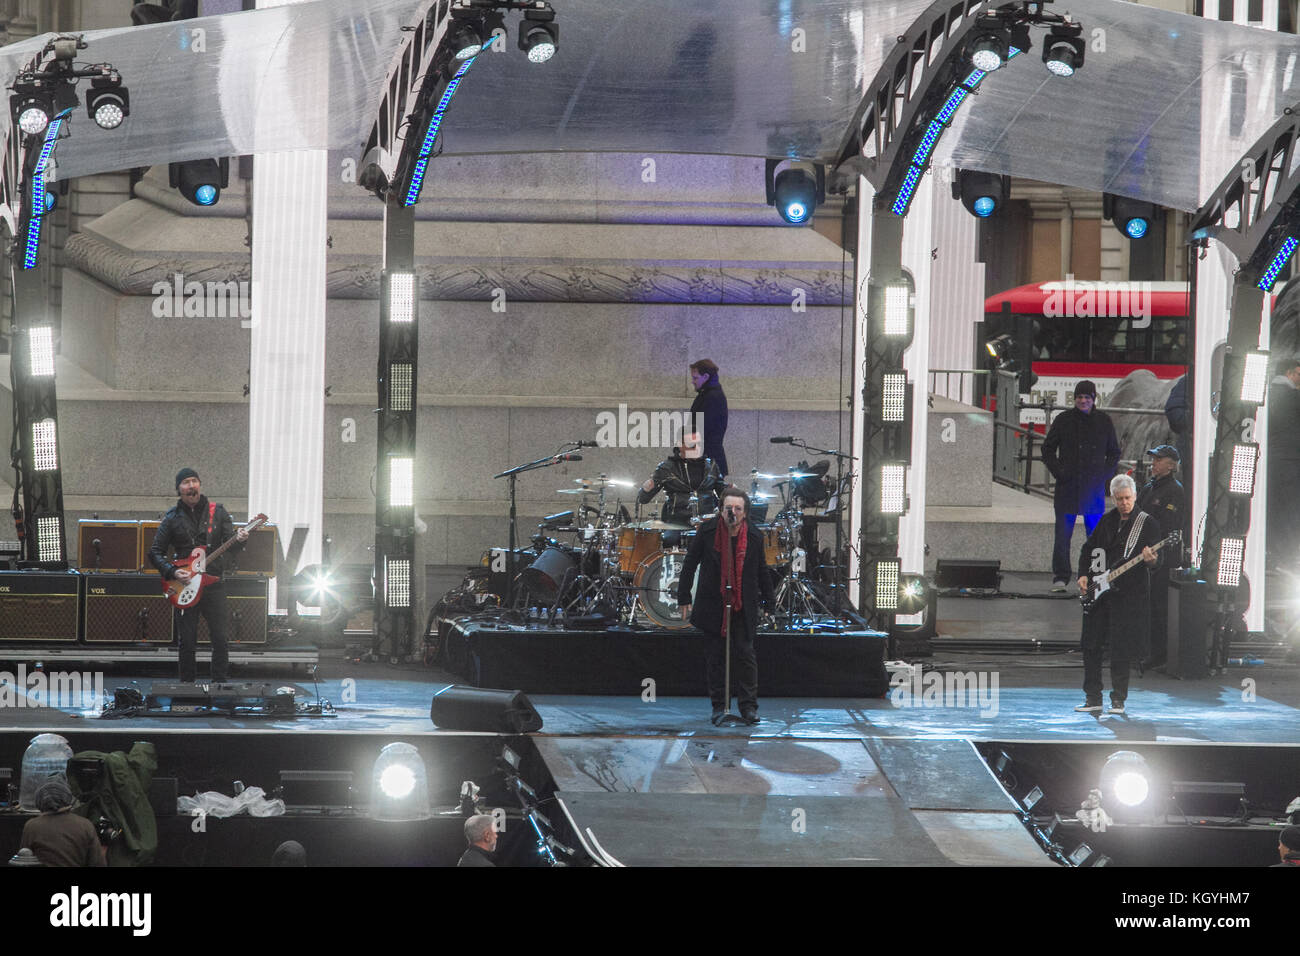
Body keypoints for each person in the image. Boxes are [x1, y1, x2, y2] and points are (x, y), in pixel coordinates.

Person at [677, 488, 775, 726]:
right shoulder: (708, 531)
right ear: (721, 510)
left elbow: (762, 570)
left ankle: (748, 708)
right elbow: (690, 563)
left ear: (745, 512)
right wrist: (683, 597)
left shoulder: (753, 535)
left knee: (745, 654)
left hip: (743, 604)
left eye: (738, 508)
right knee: (716, 658)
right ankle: (719, 706)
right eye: (728, 508)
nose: (733, 512)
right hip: (714, 602)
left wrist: (769, 602)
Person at [148, 468, 248, 684]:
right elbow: (154, 552)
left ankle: (219, 684)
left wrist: (241, 540)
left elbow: (232, 546)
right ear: (179, 489)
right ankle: (187, 687)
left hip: (214, 584)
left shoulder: (218, 512)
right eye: (186, 482)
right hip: (185, 585)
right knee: (187, 641)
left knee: (220, 639)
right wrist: (173, 571)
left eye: (194, 481)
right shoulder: (172, 517)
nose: (191, 485)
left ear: (200, 485)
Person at [1075, 474, 1162, 716]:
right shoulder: (1106, 521)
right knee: (1091, 645)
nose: (1124, 503)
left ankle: (1118, 700)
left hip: (1127, 597)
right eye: (1120, 499)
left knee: (1120, 649)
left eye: (1128, 498)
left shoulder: (1147, 524)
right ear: (1113, 498)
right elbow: (1089, 549)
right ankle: (1093, 697)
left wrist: (1152, 561)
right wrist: (1084, 574)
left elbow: (1157, 563)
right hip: (1100, 593)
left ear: (1135, 497)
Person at [1042, 380, 1121, 591]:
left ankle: (1095, 576)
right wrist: (1060, 473)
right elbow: (1047, 449)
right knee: (1062, 537)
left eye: (1087, 397)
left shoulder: (1103, 421)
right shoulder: (1063, 420)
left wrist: (1102, 476)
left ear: (1093, 399)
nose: (1083, 401)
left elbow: (1114, 453)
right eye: (1080, 397)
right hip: (1069, 488)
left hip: (1091, 489)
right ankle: (1061, 577)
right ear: (1075, 399)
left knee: (1095, 537)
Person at [1135, 445, 1185, 669]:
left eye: (1159, 459)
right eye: (1153, 459)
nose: (1153, 463)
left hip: (1163, 556)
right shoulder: (1148, 488)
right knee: (1144, 603)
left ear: (1171, 465)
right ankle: (1143, 649)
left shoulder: (1175, 490)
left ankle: (1158, 653)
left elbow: (1166, 524)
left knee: (1158, 605)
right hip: (1143, 552)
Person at [637, 434, 727, 526]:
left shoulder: (711, 466)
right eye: (692, 445)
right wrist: (646, 490)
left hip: (706, 521)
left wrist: (731, 492)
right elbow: (643, 499)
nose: (697, 448)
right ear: (680, 445)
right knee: (670, 540)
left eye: (700, 444)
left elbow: (723, 493)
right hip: (677, 522)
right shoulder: (667, 468)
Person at [20, 781, 105, 867]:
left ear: (40, 802)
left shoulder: (32, 826)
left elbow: (23, 859)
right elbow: (98, 863)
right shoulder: (85, 825)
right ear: (67, 798)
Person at [1267, 356, 1300, 567]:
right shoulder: (1294, 398)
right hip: (1291, 460)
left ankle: (1272, 553)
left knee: (1272, 507)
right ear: (1289, 373)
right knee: (1289, 511)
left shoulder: (1265, 393)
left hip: (1270, 459)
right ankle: (1287, 557)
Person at [689, 359, 729, 478]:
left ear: (705, 376)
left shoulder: (711, 397)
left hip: (707, 463)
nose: (692, 382)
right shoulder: (708, 394)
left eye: (695, 378)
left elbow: (700, 429)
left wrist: (684, 451)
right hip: (707, 461)